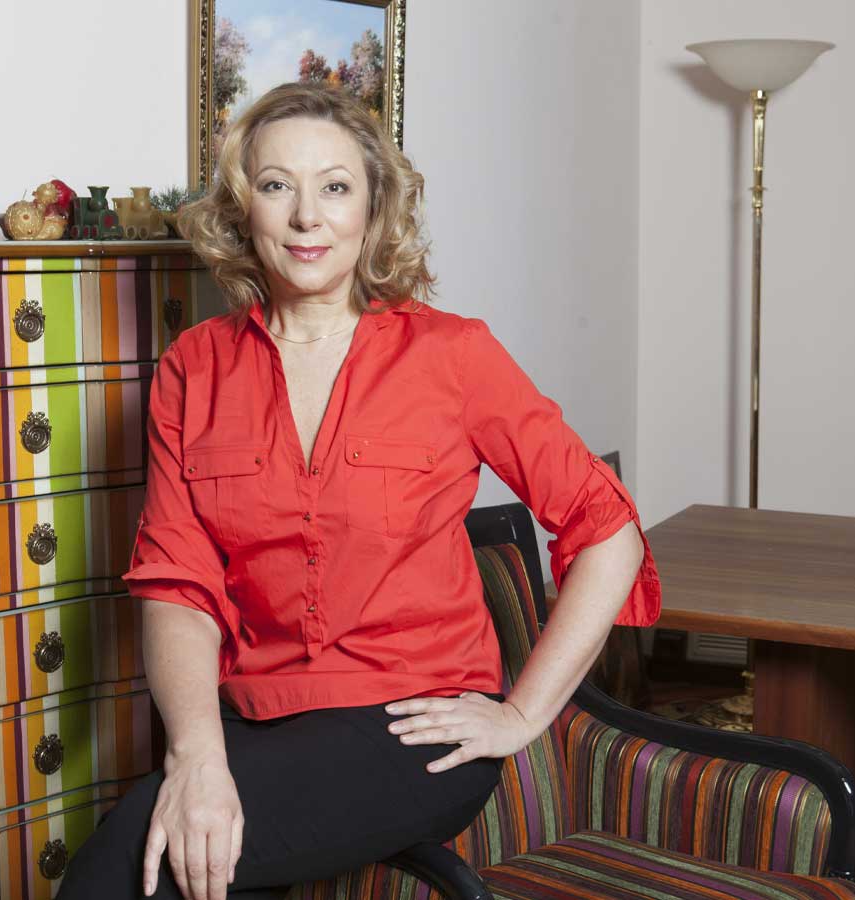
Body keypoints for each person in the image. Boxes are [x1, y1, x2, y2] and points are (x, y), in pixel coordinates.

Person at [56, 82, 661, 900]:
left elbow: (606, 528)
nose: (307, 216)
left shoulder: (454, 356)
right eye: (277, 185)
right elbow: (177, 585)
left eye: (335, 187)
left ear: (374, 210)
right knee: (162, 851)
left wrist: (520, 715)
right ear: (242, 209)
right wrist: (195, 754)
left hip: (412, 727)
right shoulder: (193, 368)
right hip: (254, 720)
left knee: (124, 873)